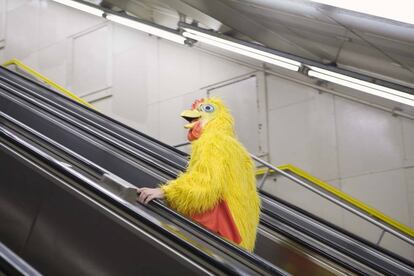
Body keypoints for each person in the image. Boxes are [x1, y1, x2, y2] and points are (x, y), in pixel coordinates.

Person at [137, 97, 260, 252]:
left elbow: (205, 183)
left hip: (219, 238)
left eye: (205, 109)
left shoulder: (212, 141)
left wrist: (166, 191)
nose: (195, 114)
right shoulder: (241, 153)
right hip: (238, 238)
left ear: (217, 117)